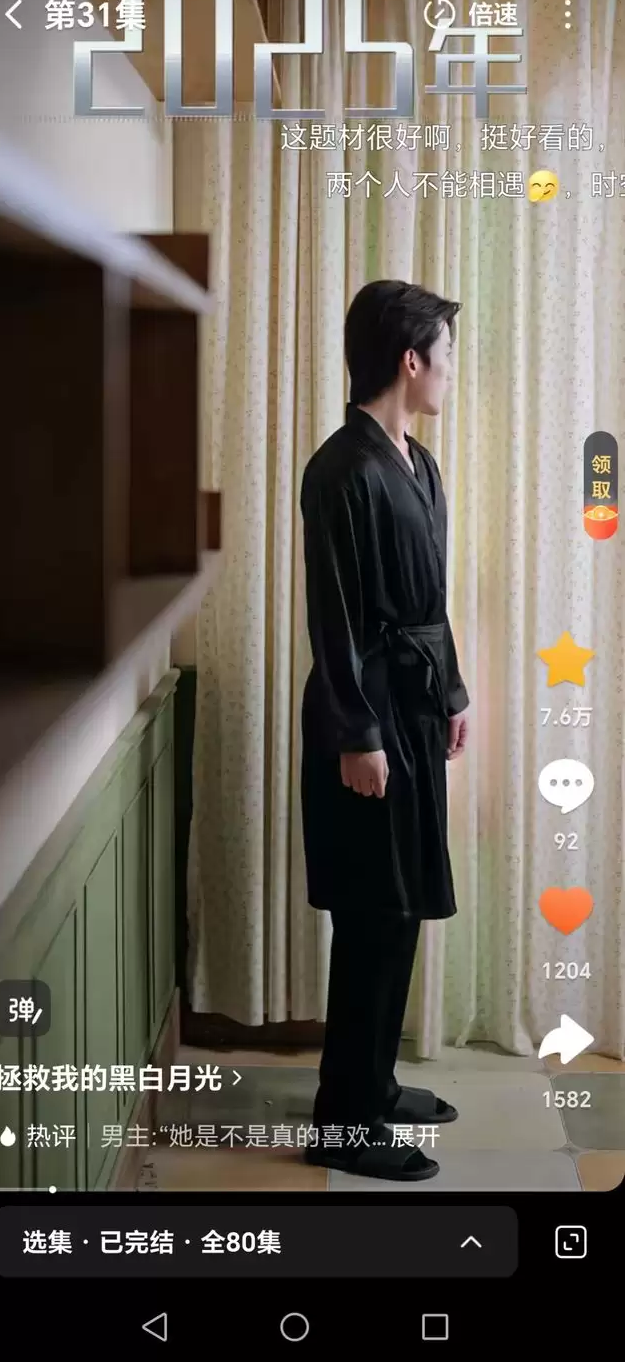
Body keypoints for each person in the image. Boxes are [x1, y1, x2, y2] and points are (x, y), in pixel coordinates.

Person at [300, 280, 470, 1182]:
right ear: (411, 360)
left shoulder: (419, 464)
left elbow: (430, 604)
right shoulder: (340, 470)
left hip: (414, 706)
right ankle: (342, 1118)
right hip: (363, 713)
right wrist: (357, 733)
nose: (451, 372)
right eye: (446, 355)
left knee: (398, 903)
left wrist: (453, 693)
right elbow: (333, 619)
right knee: (371, 909)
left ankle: (375, 1083)